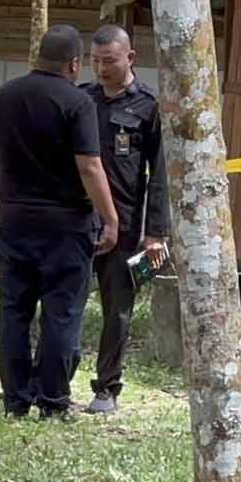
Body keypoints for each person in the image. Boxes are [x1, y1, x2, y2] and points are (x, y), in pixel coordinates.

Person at [0, 24, 119, 420]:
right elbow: (90, 166)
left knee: (14, 310)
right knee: (62, 311)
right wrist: (110, 217)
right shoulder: (78, 103)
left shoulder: (4, 95)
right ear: (74, 64)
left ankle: (15, 399)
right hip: (67, 222)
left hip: (16, 216)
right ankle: (53, 400)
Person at [77, 25, 172, 414]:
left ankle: (107, 388)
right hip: (79, 219)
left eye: (109, 61)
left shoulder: (149, 106)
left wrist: (156, 232)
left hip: (127, 225)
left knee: (117, 309)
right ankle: (53, 378)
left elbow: (161, 173)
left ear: (130, 58)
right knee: (64, 301)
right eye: (95, 61)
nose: (101, 69)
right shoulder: (82, 100)